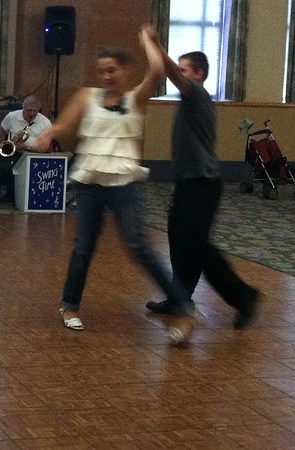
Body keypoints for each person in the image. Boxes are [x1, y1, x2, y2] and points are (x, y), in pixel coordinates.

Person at [31, 26, 195, 345]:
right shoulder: (86, 96)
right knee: (83, 247)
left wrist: (149, 42)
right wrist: (49, 134)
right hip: (91, 181)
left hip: (124, 183)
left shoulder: (136, 99)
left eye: (112, 70)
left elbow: (158, 70)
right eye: (102, 71)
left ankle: (185, 309)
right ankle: (69, 306)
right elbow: (65, 124)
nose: (106, 76)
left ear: (124, 70)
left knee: (139, 247)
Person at [140, 28, 261, 329]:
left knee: (197, 246)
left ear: (199, 74)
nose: (178, 76)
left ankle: (244, 296)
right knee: (180, 241)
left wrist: (154, 44)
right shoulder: (191, 101)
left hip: (202, 184)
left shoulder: (197, 94)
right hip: (190, 183)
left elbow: (171, 73)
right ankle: (179, 297)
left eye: (184, 70)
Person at [0, 95, 52, 203]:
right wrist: (3, 142)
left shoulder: (46, 122)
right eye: (28, 110)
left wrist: (27, 147)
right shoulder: (12, 116)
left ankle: (29, 195)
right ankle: (12, 193)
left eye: (34, 111)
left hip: (35, 154)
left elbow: (45, 147)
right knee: (5, 167)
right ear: (23, 108)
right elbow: (2, 129)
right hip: (15, 152)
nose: (31, 113)